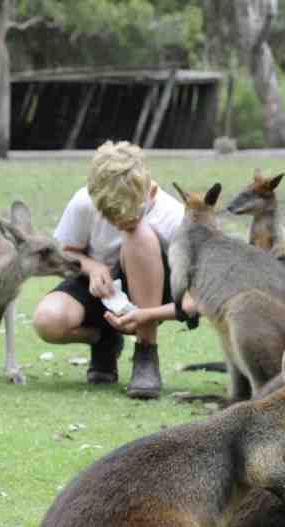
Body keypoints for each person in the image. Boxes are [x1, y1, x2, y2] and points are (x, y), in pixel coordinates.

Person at [32, 140, 194, 400]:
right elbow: (65, 253)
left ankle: (146, 352)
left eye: (129, 214)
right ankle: (104, 340)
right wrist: (93, 267)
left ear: (150, 193)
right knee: (47, 321)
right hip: (101, 289)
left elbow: (196, 302)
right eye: (111, 218)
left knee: (137, 234)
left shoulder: (174, 218)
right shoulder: (84, 201)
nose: (119, 223)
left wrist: (144, 315)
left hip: (151, 292)